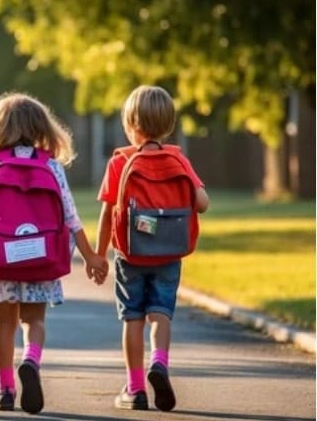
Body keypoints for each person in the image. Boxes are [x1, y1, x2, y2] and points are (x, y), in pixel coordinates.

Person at [0, 92, 108, 414]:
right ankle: (31, 360)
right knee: (34, 319)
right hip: (44, 258)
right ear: (43, 127)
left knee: (4, 323)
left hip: (1, 259)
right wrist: (91, 256)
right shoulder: (51, 166)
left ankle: (5, 389)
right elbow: (70, 217)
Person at [95, 85, 209, 412]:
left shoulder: (120, 162)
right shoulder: (178, 159)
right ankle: (159, 362)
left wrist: (99, 255)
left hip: (130, 255)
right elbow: (202, 203)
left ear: (130, 126)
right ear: (168, 125)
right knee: (160, 314)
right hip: (169, 254)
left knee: (133, 319)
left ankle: (134, 389)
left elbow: (107, 214)